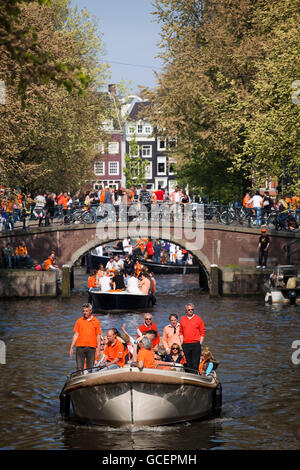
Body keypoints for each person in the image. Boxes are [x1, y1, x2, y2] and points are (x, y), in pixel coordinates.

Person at [69, 303, 102, 371]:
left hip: (91, 348)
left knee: (90, 368)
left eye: (86, 311)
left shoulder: (96, 321)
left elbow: (98, 336)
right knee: (79, 368)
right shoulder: (79, 321)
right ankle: (80, 379)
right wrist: (71, 347)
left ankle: (89, 380)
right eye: (83, 311)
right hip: (80, 347)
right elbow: (76, 335)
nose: (84, 312)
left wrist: (98, 349)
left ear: (90, 311)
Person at [179, 303, 205, 373]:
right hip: (186, 344)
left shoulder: (198, 319)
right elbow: (181, 332)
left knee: (195, 364)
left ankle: (196, 377)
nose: (190, 311)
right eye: (189, 309)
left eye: (192, 309)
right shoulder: (182, 319)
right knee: (188, 363)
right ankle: (190, 377)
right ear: (186, 311)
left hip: (196, 344)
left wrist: (200, 343)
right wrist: (181, 343)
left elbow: (202, 332)